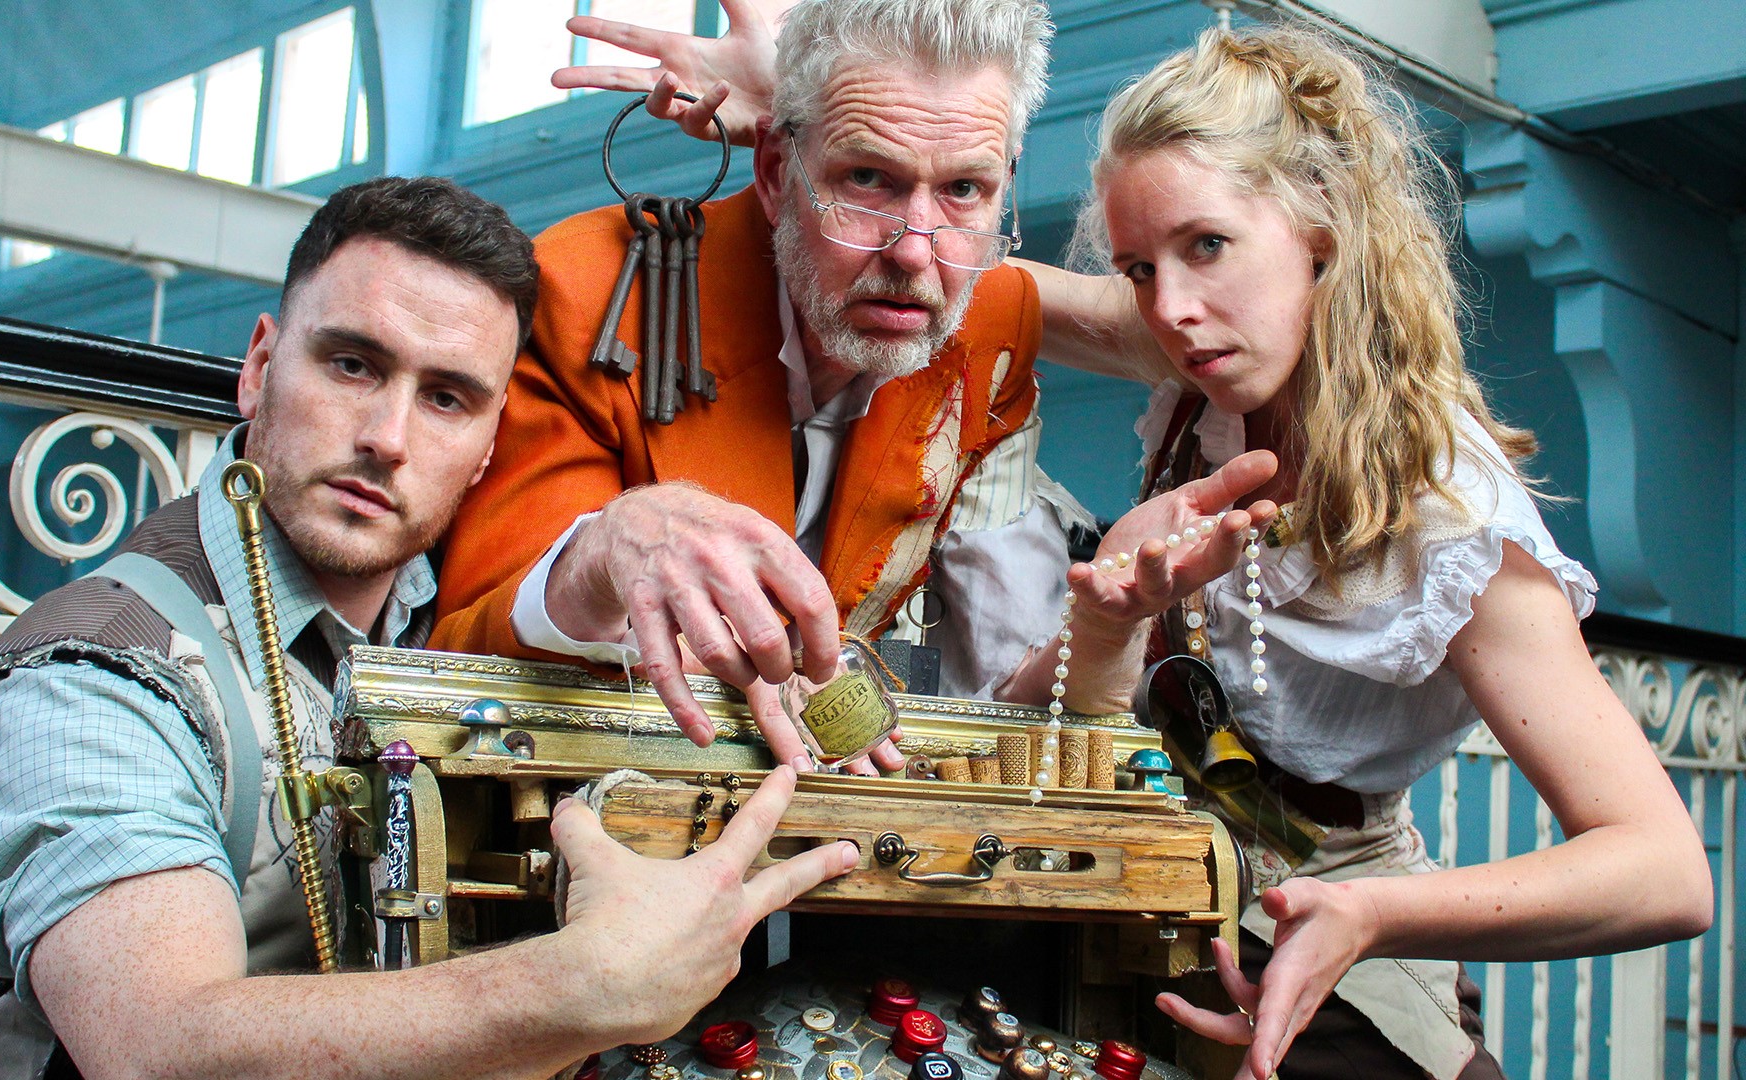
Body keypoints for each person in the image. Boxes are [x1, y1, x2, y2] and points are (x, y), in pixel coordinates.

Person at [552, 13, 1713, 1080]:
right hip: (1131, 891)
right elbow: (938, 270)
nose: (1171, 309)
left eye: (1209, 245)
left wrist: (1372, 916)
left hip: (1327, 942)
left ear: (1323, 229)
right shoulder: (1209, 366)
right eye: (1139, 268)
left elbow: (1663, 870)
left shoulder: (1450, 518)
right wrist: (812, 129)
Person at [0, 177, 857, 1080]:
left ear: (487, 448)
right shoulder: (96, 677)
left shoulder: (427, 618)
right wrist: (584, 985)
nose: (387, 438)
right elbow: (158, 1049)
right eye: (354, 365)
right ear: (260, 367)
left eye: (446, 397)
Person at [429, 0, 1272, 774]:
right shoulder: (588, 293)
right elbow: (458, 656)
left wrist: (1104, 621)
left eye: (964, 189)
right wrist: (605, 550)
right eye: (868, 179)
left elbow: (991, 686)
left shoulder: (994, 322)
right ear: (773, 171)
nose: (915, 253)